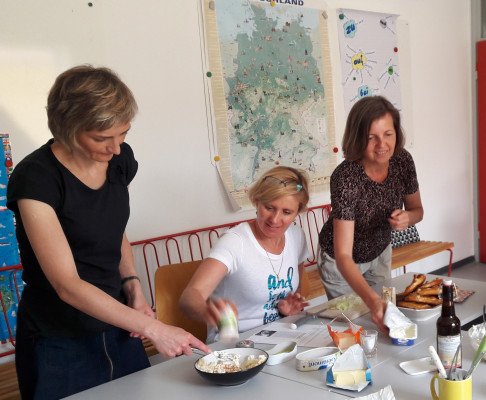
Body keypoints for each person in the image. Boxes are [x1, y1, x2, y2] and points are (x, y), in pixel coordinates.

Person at [7, 65, 210, 399]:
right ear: (67, 129)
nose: (115, 148)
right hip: (58, 338)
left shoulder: (120, 160)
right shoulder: (37, 178)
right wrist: (153, 328)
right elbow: (67, 285)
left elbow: (114, 231)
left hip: (119, 325)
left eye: (123, 134)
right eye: (101, 138)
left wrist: (133, 286)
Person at [317, 96, 423, 334]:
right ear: (357, 138)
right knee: (356, 328)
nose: (381, 145)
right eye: (371, 137)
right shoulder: (346, 177)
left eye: (388, 134)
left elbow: (418, 211)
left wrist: (408, 218)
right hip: (341, 264)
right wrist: (372, 301)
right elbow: (344, 256)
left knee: (385, 319)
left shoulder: (403, 161)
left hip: (380, 251)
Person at [179, 167, 310, 342]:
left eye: (287, 212)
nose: (275, 219)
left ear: (297, 212)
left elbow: (297, 288)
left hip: (279, 336)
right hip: (234, 343)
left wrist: (289, 308)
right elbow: (189, 297)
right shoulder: (235, 242)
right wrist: (207, 311)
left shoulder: (296, 236)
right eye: (269, 207)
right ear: (256, 201)